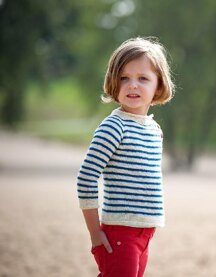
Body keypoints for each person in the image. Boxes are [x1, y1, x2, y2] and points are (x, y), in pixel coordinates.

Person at [76, 36, 174, 277]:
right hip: (119, 232)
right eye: (124, 78)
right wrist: (94, 232)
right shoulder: (114, 127)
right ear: (113, 82)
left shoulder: (154, 129)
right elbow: (85, 178)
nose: (132, 85)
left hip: (145, 231)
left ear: (158, 86)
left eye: (143, 78)